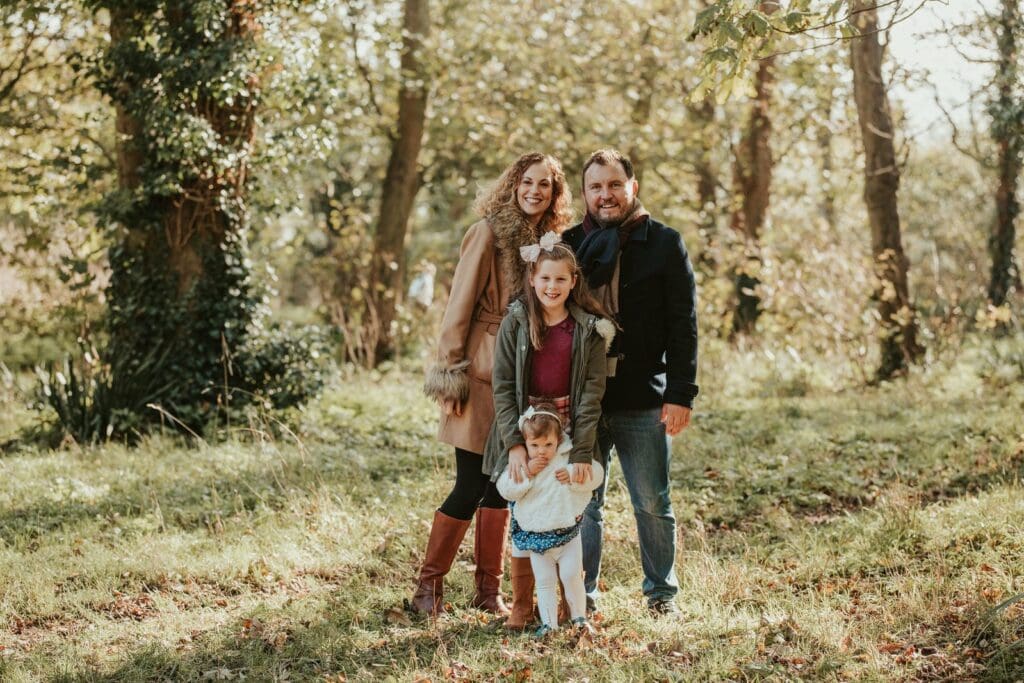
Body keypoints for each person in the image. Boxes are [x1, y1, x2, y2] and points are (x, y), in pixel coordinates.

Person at [415, 153, 573, 617]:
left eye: (545, 185)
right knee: (469, 483)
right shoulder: (487, 232)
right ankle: (428, 588)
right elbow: (457, 306)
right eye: (528, 181)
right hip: (481, 374)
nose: (535, 191)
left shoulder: (546, 242)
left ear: (554, 193)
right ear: (513, 184)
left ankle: (488, 593)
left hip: (521, 376)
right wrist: (450, 371)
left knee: (502, 485)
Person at [561, 149, 699, 615]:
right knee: (584, 503)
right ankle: (584, 598)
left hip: (644, 397)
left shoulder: (663, 242)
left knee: (652, 503)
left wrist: (681, 394)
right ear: (584, 193)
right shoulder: (568, 244)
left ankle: (662, 596)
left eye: (615, 185)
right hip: (584, 399)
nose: (606, 195)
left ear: (632, 188)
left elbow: (684, 325)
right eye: (596, 187)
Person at [483, 240, 615, 629]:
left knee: (567, 504)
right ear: (532, 278)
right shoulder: (517, 321)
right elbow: (503, 385)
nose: (552, 287)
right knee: (524, 509)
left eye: (560, 279)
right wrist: (513, 444)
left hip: (569, 429)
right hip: (526, 430)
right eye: (545, 278)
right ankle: (524, 604)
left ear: (573, 281)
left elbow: (592, 394)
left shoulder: (588, 330)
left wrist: (580, 453)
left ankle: (563, 603)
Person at [496, 405, 604, 637]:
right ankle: (549, 624)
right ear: (525, 442)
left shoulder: (568, 456)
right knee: (545, 580)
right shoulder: (522, 463)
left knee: (570, 575)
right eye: (534, 445)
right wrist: (527, 473)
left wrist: (574, 473)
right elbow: (505, 488)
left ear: (559, 440)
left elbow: (596, 474)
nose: (542, 451)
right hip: (537, 535)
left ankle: (579, 618)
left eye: (548, 444)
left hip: (567, 532)